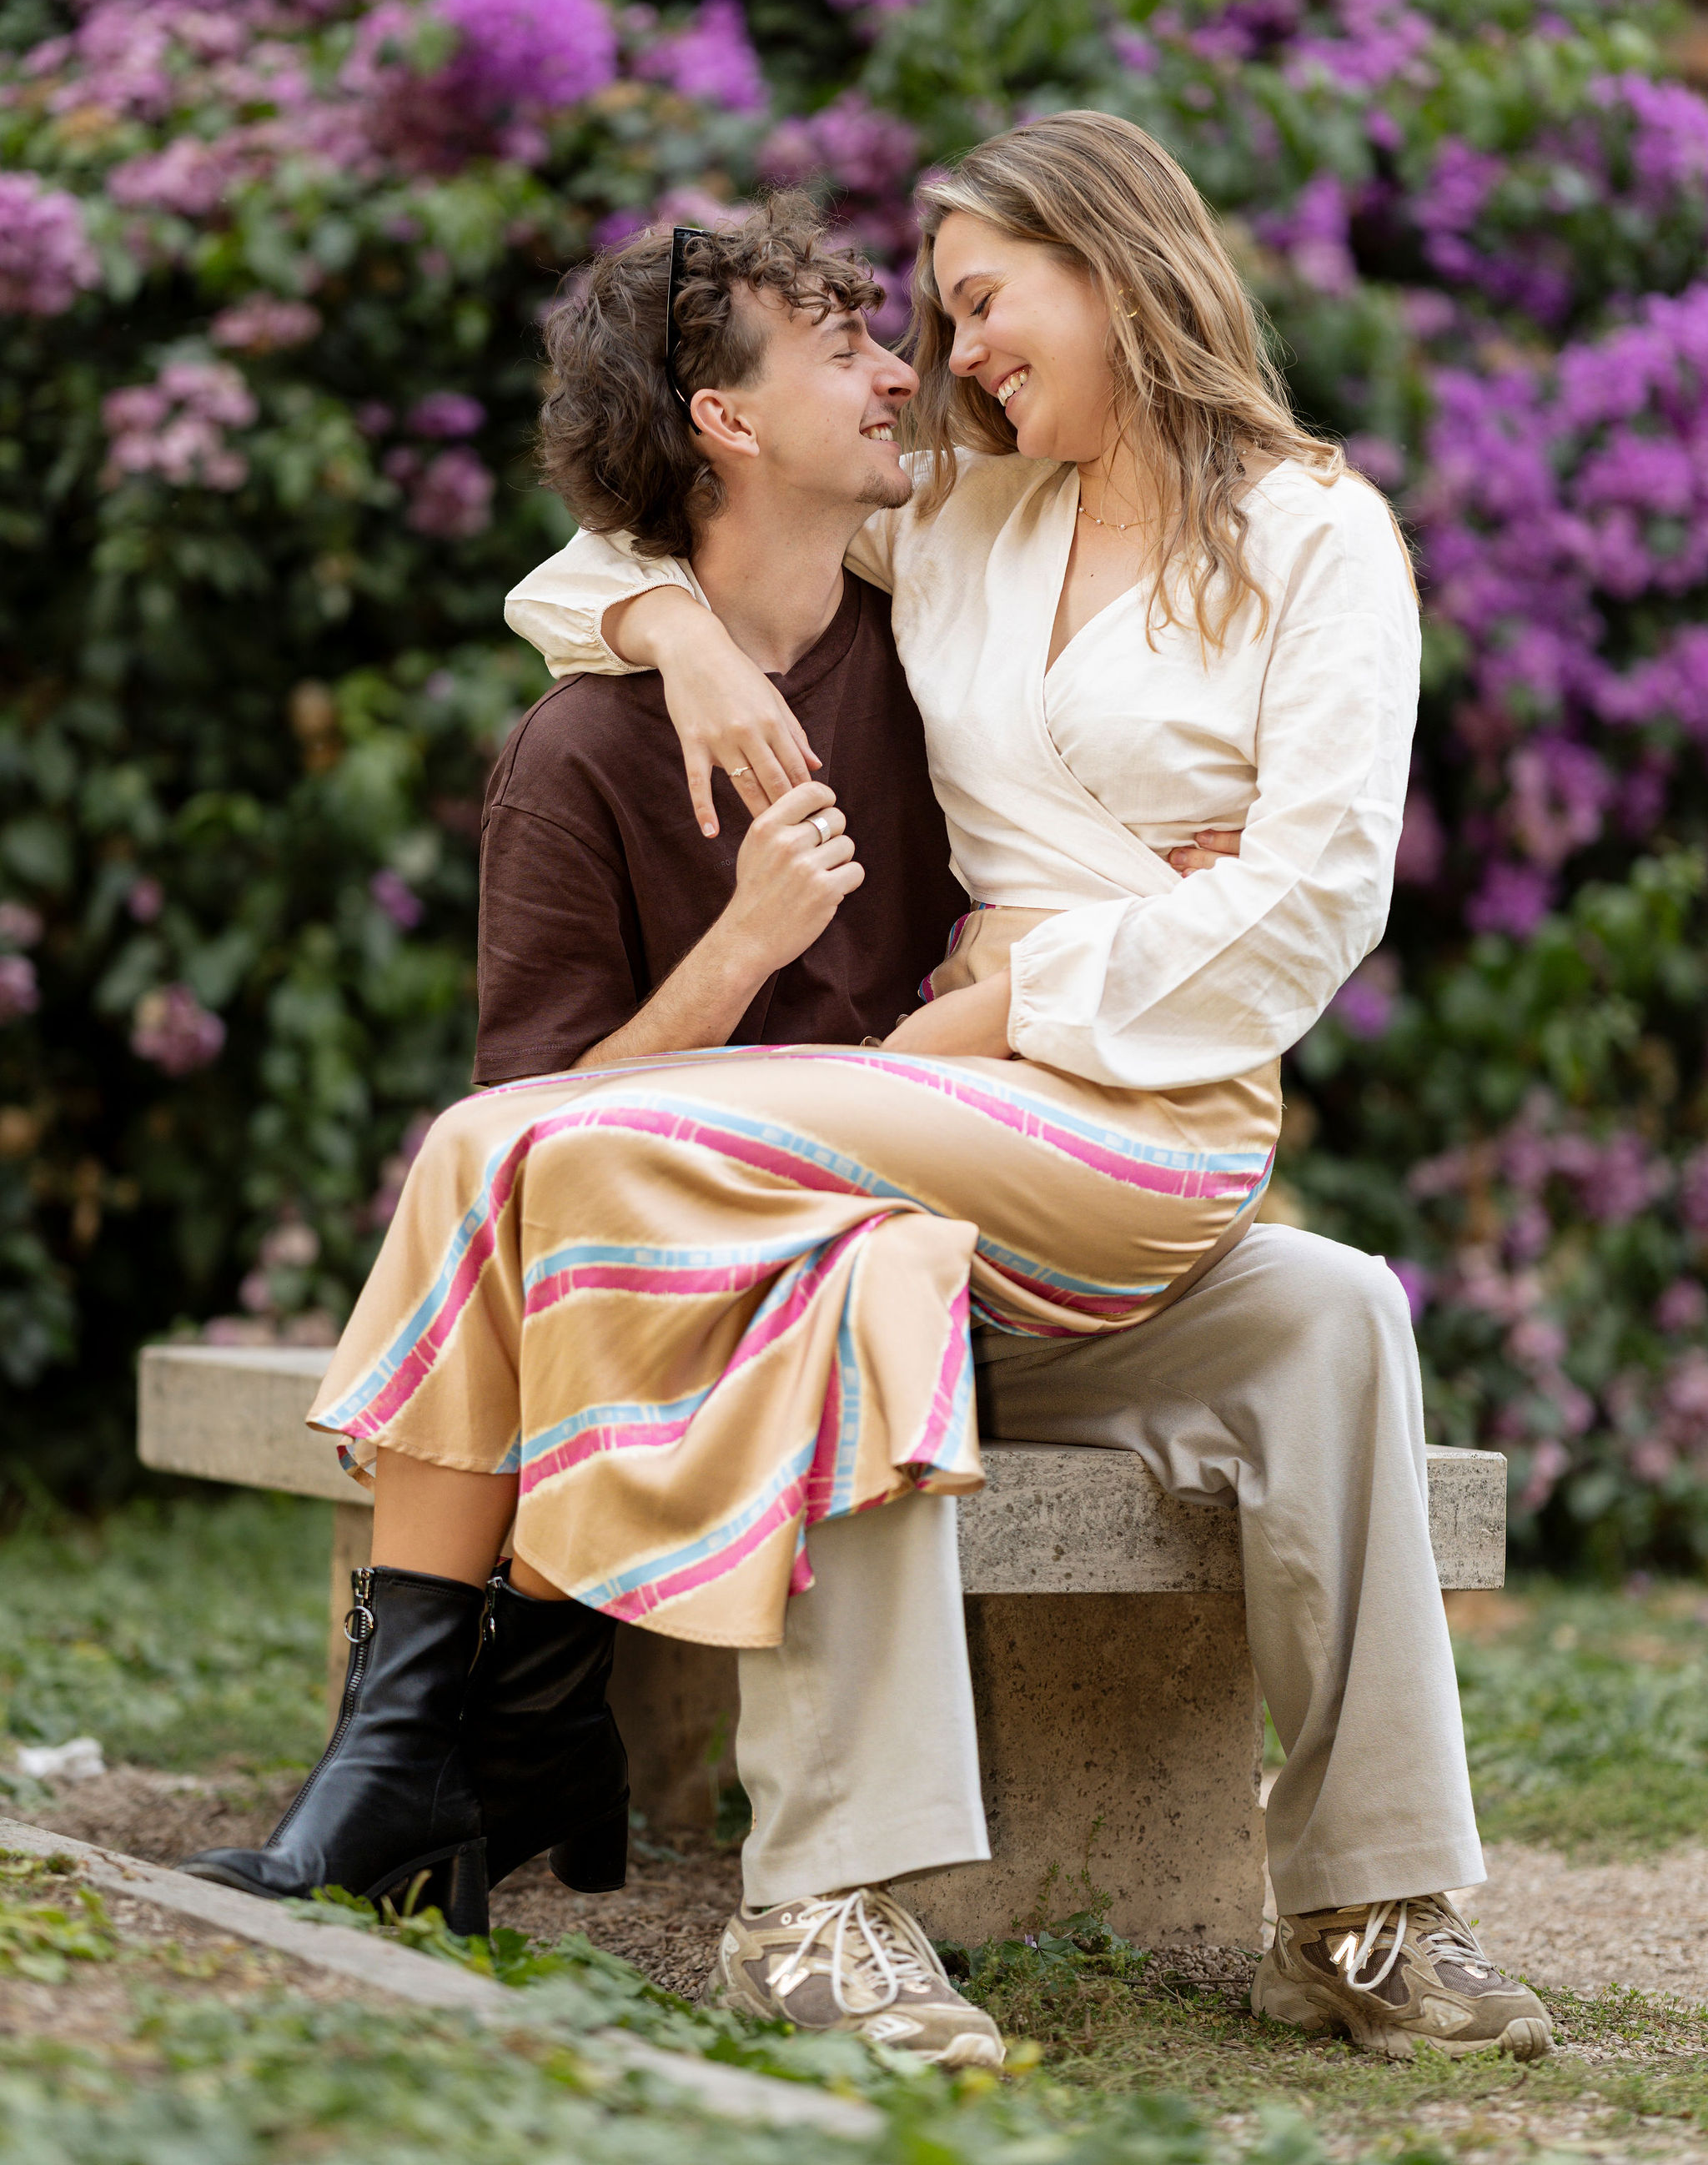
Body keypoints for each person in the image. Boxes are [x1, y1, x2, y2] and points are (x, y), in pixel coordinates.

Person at [500, 114, 1556, 2064]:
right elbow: (614, 542)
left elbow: (1309, 905)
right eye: (940, 311)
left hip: (1105, 1121)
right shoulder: (962, 522)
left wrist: (1012, 1001)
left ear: (1114, 261)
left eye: (984, 299)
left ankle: (1366, 1915)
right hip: (956, 1181)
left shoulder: (1319, 540)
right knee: (883, 1268)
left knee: (1324, 1316)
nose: (958, 349)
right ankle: (821, 1911)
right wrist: (684, 645)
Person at [183, 197, 1007, 2065]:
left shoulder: (943, 650)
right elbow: (533, 1143)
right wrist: (743, 948)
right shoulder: (576, 756)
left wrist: (674, 620)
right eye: (846, 342)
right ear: (725, 422)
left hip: (915, 1226)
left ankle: (447, 1740)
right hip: (661, 1248)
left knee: (781, 1240)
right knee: (523, 1171)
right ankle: (491, 1732)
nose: (906, 373)